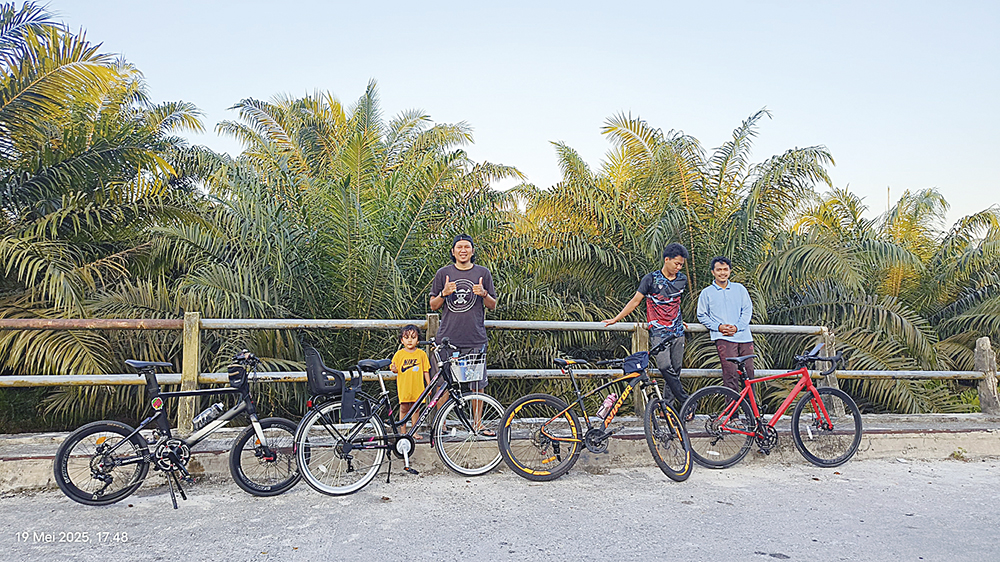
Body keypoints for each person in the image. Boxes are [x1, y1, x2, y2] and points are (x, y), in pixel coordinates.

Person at [603, 243, 690, 412]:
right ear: (667, 260)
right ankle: (686, 400)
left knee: (676, 369)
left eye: (681, 265)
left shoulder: (682, 280)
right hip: (658, 330)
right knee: (664, 366)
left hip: (678, 330)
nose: (679, 267)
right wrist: (616, 319)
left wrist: (681, 319)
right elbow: (635, 301)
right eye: (676, 264)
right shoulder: (650, 279)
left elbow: (675, 301)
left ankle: (668, 408)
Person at [429, 233, 497, 433]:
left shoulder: (483, 273)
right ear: (453, 251)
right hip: (448, 339)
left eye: (467, 247)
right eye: (459, 247)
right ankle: (441, 425)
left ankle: (477, 423)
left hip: (475, 338)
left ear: (472, 251)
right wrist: (444, 293)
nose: (463, 250)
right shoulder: (443, 273)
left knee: (477, 384)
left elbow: (492, 305)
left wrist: (483, 294)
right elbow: (433, 305)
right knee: (443, 384)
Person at [696, 256, 754, 391]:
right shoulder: (707, 293)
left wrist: (737, 327)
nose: (722, 273)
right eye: (719, 270)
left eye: (725, 269)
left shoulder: (740, 289)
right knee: (730, 375)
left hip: (744, 337)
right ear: (713, 272)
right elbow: (702, 315)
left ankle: (751, 411)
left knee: (749, 374)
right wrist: (718, 327)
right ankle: (732, 411)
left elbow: (747, 310)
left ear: (730, 271)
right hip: (723, 338)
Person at [390, 324, 431, 438]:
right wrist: (393, 369)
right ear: (402, 340)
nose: (410, 340)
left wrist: (429, 385)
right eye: (407, 337)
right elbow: (394, 368)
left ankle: (414, 431)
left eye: (413, 337)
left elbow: (425, 371)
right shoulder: (399, 354)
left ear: (418, 340)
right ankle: (403, 431)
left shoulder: (421, 354)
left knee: (416, 408)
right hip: (404, 387)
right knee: (403, 407)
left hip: (417, 387)